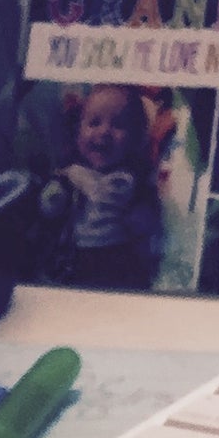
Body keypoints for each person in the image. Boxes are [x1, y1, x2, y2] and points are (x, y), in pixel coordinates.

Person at [29, 83, 164, 290]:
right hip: (75, 255)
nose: (104, 132)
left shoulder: (132, 177)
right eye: (94, 123)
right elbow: (51, 203)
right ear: (77, 132)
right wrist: (53, 200)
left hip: (119, 255)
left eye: (118, 125)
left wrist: (142, 217)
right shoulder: (72, 173)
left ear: (135, 138)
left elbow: (148, 208)